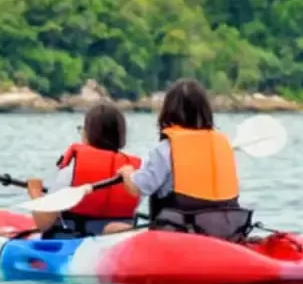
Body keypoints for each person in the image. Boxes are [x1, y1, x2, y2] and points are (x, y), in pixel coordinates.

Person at [117, 79, 252, 240]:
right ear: (205, 111)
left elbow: (138, 188)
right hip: (226, 233)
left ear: (168, 111)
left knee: (115, 228)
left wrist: (128, 174)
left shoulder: (165, 149)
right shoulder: (223, 146)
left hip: (180, 235)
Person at [25, 103, 140, 236]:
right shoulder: (134, 176)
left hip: (74, 245)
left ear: (88, 133)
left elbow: (43, 223)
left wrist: (35, 193)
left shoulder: (71, 172)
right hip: (114, 245)